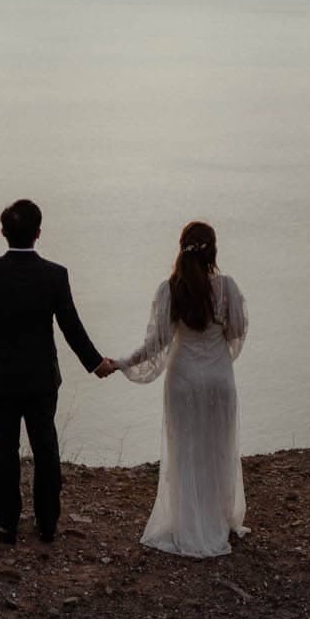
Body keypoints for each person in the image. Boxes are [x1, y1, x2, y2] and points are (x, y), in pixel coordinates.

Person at [0, 198, 113, 544]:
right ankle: (47, 523)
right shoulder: (54, 275)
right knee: (45, 447)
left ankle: (6, 524)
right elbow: (70, 326)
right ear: (39, 233)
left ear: (3, 232)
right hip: (42, 379)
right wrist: (96, 364)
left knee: (6, 451)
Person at [108, 220, 249, 558]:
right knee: (217, 448)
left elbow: (155, 345)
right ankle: (217, 519)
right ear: (213, 251)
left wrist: (121, 363)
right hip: (218, 380)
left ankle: (189, 525)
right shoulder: (227, 288)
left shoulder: (170, 290)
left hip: (183, 380)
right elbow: (237, 333)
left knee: (185, 452)